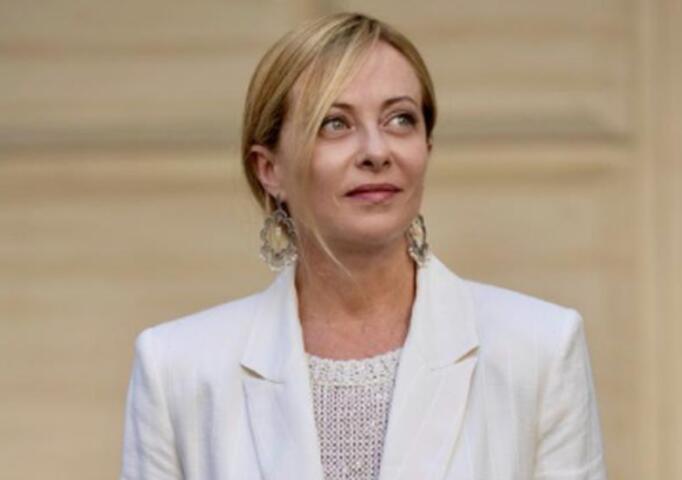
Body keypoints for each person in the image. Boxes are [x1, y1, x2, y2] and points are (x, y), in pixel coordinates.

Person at [120, 12, 607, 480]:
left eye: (400, 119)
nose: (377, 151)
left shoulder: (541, 348)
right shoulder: (177, 368)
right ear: (269, 169)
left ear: (427, 150)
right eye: (335, 123)